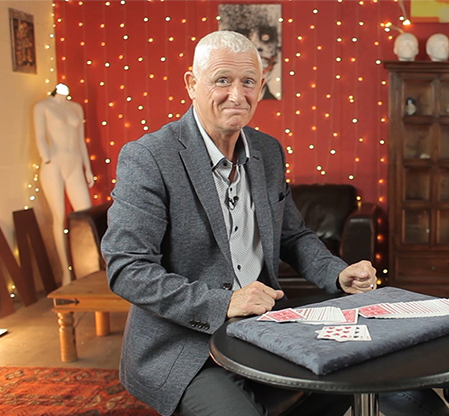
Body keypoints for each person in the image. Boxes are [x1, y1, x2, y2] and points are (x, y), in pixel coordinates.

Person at [100, 30, 376, 416]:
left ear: (260, 87)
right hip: (184, 344)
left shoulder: (268, 151)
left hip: (263, 327)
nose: (237, 94)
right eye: (222, 80)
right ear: (192, 84)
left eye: (247, 82)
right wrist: (225, 302)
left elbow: (293, 235)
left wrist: (338, 273)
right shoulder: (149, 157)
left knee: (353, 374)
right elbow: (127, 269)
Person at [33, 83, 93, 285]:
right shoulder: (43, 106)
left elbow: (81, 140)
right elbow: (40, 136)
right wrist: (47, 158)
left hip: (74, 163)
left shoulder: (76, 108)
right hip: (54, 164)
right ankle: (66, 273)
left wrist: (87, 168)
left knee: (85, 216)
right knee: (59, 217)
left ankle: (89, 268)